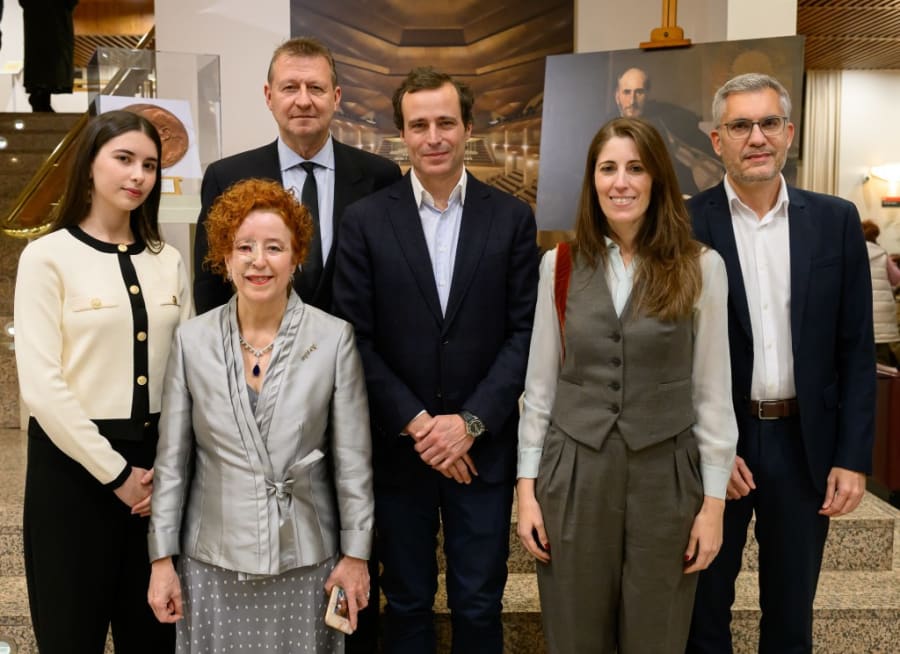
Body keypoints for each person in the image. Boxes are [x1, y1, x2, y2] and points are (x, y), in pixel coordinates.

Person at [332, 67, 538, 654]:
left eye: (446, 122)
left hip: (483, 451)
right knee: (406, 603)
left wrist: (469, 423)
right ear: (402, 135)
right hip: (400, 452)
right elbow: (354, 337)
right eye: (419, 125)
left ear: (468, 127)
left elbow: (526, 333)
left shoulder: (511, 218)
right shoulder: (366, 220)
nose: (433, 137)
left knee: (478, 604)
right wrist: (422, 425)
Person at [516, 117, 737, 654]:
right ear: (592, 180)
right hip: (574, 471)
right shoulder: (558, 266)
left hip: (666, 474)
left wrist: (713, 506)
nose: (621, 182)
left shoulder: (702, 267)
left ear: (657, 178)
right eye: (608, 168)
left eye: (636, 168)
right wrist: (526, 492)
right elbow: (540, 389)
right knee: (574, 636)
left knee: (656, 637)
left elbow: (712, 395)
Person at [686, 73, 876, 653]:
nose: (757, 137)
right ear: (717, 140)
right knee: (701, 616)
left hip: (804, 446)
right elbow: (666, 357)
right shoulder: (684, 223)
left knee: (791, 621)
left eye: (769, 123)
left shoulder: (835, 220)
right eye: (740, 125)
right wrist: (704, 446)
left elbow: (855, 348)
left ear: (789, 133)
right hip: (718, 446)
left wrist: (851, 456)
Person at [147, 178, 374, 653]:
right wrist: (161, 559)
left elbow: (353, 463)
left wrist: (356, 555)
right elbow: (173, 462)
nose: (258, 261)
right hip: (212, 558)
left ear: (296, 257)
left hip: (306, 557)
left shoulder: (333, 339)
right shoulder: (192, 341)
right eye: (244, 246)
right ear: (225, 257)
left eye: (274, 247)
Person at [14, 110, 188, 653]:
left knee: (154, 638)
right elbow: (42, 387)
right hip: (71, 475)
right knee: (70, 636)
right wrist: (116, 474)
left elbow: (187, 374)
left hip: (154, 479)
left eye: (150, 165)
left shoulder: (168, 260)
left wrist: (168, 469)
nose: (138, 175)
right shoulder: (46, 257)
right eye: (124, 159)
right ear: (89, 165)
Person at [192, 36, 401, 316]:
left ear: (336, 97)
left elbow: (391, 280)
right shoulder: (227, 178)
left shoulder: (381, 177)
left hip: (354, 341)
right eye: (290, 88)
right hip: (258, 342)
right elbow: (210, 285)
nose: (303, 101)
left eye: (316, 88)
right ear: (269, 96)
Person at [611, 67, 723, 195]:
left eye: (639, 92)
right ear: (617, 96)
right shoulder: (608, 130)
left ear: (647, 95)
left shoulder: (666, 118)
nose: (632, 101)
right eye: (626, 92)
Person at [19, 0, 78, 112]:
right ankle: (41, 97)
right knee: (52, 58)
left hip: (42, 18)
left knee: (44, 57)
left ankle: (41, 97)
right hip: (56, 19)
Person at [861, 219, 900, 364]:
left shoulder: (854, 251)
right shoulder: (882, 254)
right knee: (881, 357)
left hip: (862, 309)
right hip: (883, 312)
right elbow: (896, 279)